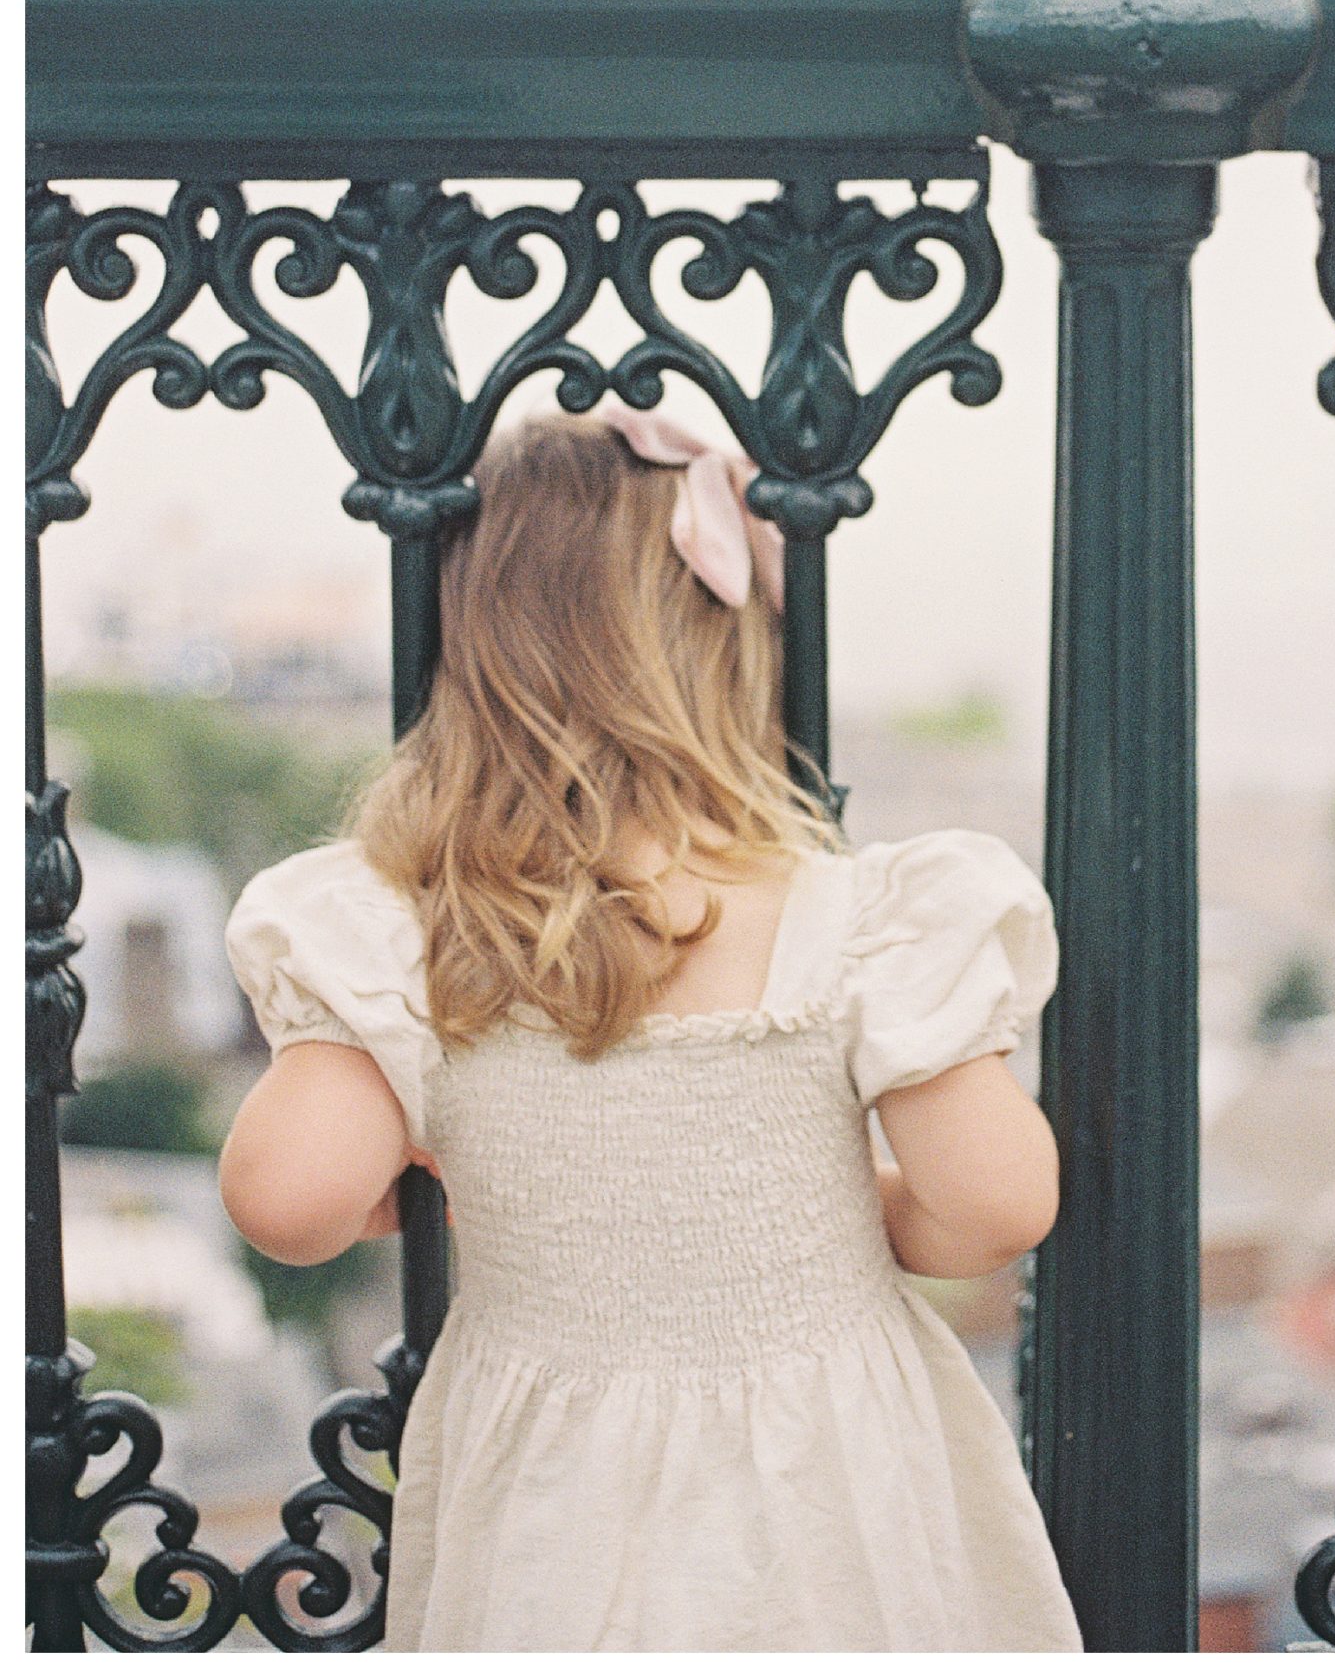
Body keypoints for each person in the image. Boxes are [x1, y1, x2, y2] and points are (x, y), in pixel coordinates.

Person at [219, 403, 1081, 1652]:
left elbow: (287, 1202)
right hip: (825, 1477)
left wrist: (411, 1185)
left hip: (549, 1497)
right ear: (733, 654)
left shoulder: (407, 930)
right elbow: (996, 1209)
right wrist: (863, 1206)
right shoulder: (862, 918)